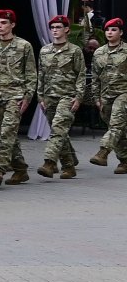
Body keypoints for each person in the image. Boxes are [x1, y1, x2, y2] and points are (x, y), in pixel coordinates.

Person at [0, 9, 37, 186]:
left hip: (16, 96)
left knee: (6, 133)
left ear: (12, 25)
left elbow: (31, 73)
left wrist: (27, 97)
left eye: (4, 23)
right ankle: (20, 169)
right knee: (8, 134)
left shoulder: (23, 46)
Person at [37, 14, 85, 179]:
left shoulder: (74, 51)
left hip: (68, 96)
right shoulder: (45, 50)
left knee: (58, 129)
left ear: (67, 30)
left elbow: (81, 75)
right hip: (49, 97)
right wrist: (40, 96)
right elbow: (41, 75)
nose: (55, 30)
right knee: (59, 131)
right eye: (53, 28)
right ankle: (69, 166)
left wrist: (79, 97)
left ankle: (49, 162)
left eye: (58, 27)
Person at [91, 19, 127, 169]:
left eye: (114, 30)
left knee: (116, 124)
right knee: (118, 129)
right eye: (108, 30)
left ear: (121, 33)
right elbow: (95, 76)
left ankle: (103, 152)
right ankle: (125, 160)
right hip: (105, 96)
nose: (110, 32)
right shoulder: (99, 52)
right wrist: (96, 97)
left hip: (124, 93)